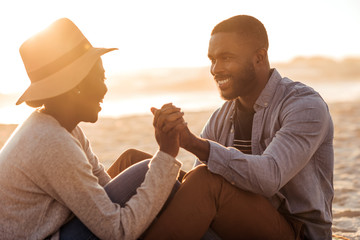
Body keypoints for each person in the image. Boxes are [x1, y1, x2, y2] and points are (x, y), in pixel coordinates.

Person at [128, 15, 333, 239]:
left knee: (206, 180)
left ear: (259, 57)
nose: (215, 69)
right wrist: (169, 146)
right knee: (136, 164)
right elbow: (195, 180)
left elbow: (269, 177)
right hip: (229, 221)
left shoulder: (304, 105)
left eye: (226, 58)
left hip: (294, 231)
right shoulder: (221, 117)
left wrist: (193, 143)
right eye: (212, 59)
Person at [0, 18, 184, 240]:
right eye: (100, 77)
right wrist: (166, 154)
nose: (105, 88)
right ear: (75, 86)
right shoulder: (52, 142)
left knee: (153, 178)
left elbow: (106, 190)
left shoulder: (61, 128)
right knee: (147, 170)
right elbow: (118, 232)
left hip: (61, 230)